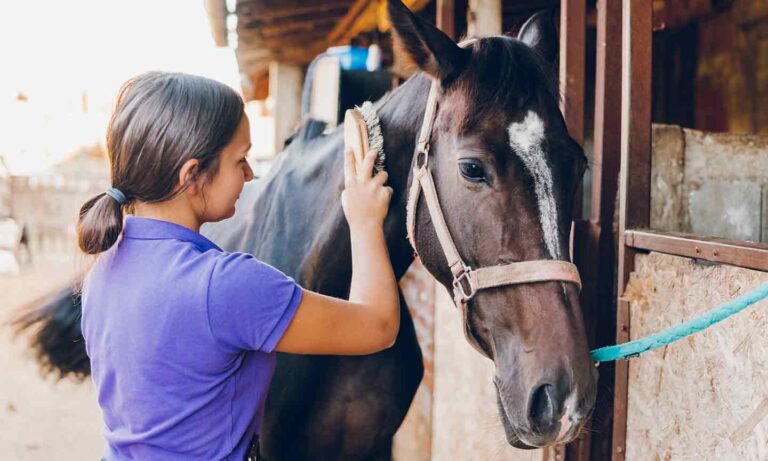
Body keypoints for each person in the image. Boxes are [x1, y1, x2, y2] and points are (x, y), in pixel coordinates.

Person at [78, 71, 398, 460]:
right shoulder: (225, 285)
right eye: (240, 159)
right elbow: (378, 326)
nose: (249, 174)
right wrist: (364, 221)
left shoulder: (103, 266)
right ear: (191, 176)